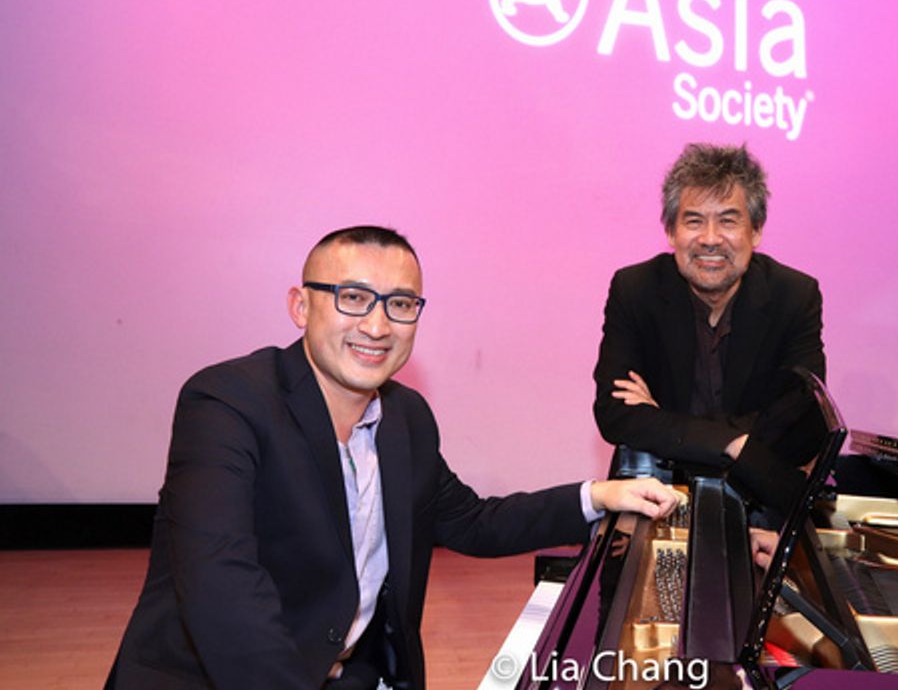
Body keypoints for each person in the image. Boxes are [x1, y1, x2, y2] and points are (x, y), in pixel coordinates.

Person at [107, 225, 677, 690]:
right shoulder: (226, 402)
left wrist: (596, 496)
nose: (377, 326)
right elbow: (225, 590)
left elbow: (471, 522)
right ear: (301, 306)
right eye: (353, 297)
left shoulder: (406, 418)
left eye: (400, 304)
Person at [593, 143, 826, 519]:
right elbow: (615, 413)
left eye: (729, 221)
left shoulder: (794, 296)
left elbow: (803, 425)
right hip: (657, 492)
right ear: (671, 232)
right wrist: (735, 441)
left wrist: (664, 422)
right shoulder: (635, 290)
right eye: (694, 220)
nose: (711, 238)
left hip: (761, 500)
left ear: (756, 232)